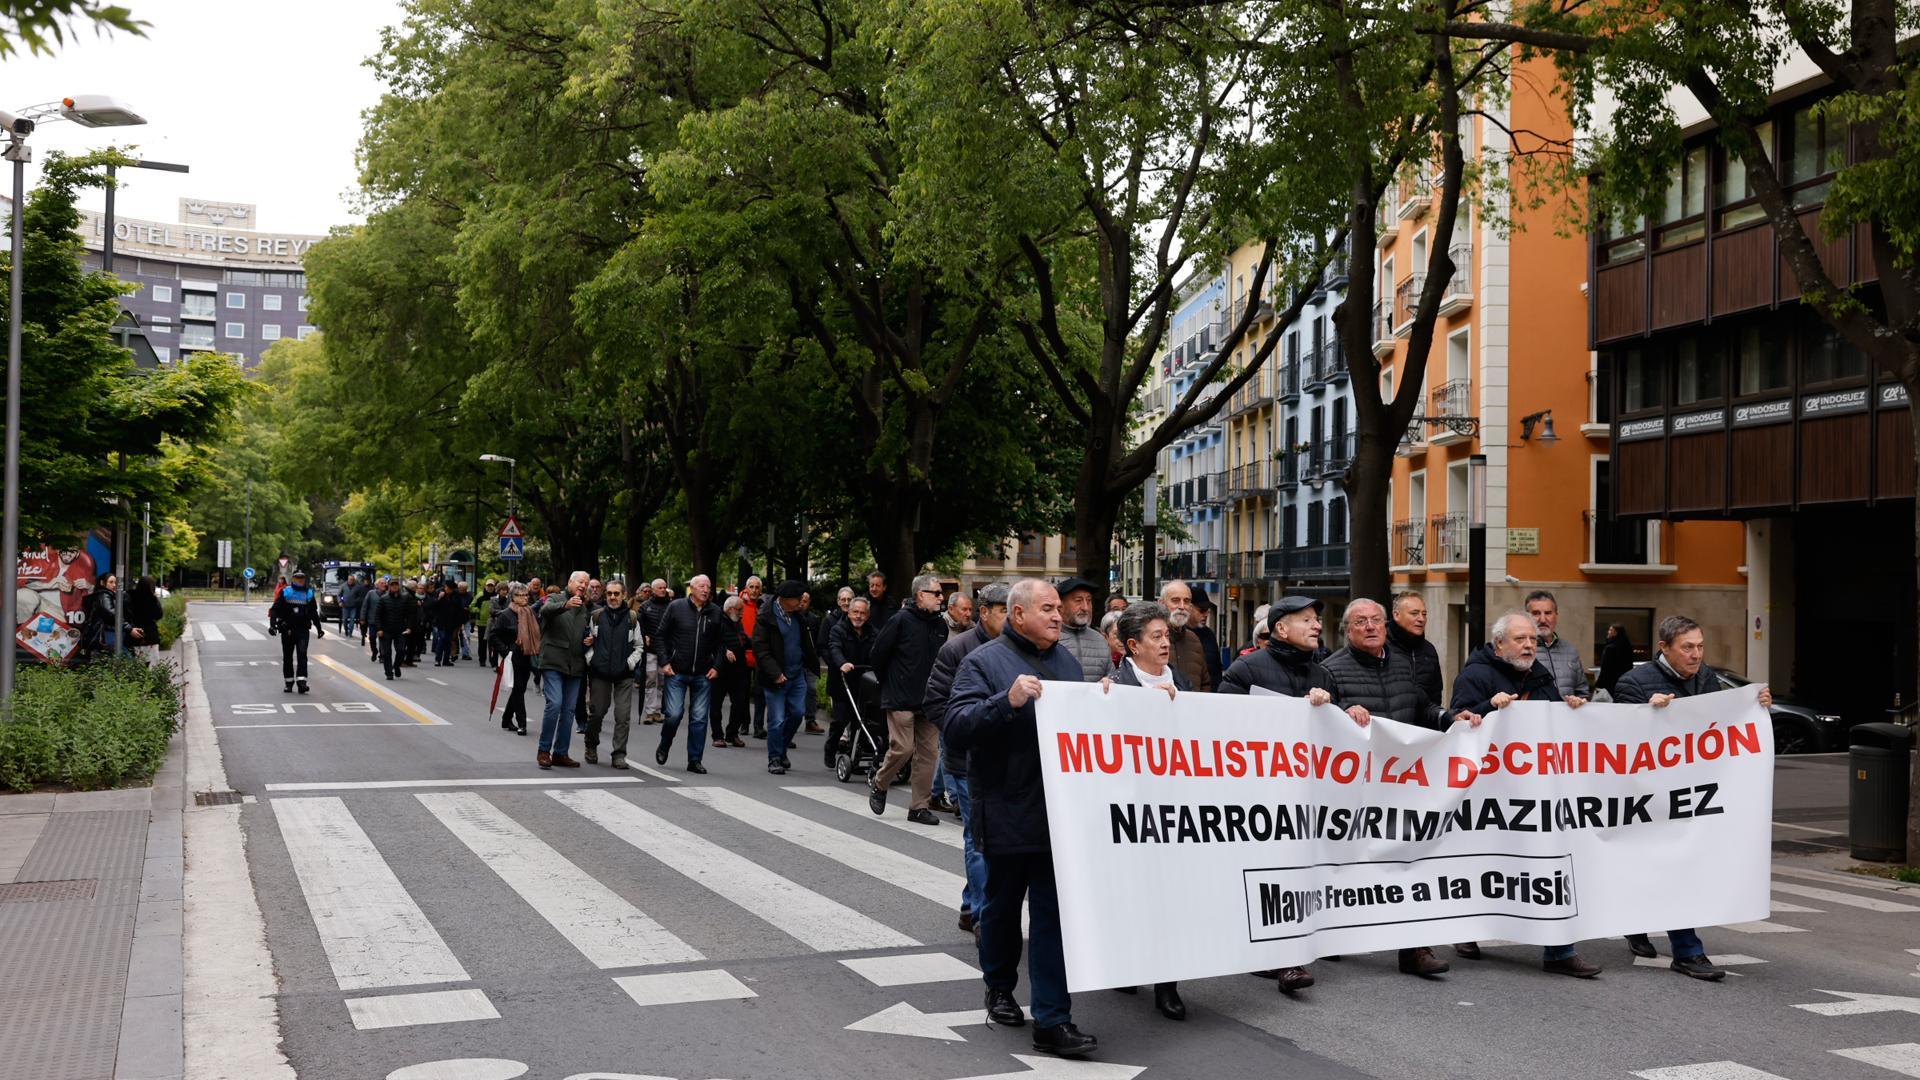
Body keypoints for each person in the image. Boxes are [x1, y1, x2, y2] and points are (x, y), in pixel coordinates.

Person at [944, 579, 1097, 1059]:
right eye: (1047, 608)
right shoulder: (983, 663)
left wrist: (1106, 703)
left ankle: (1053, 1020)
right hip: (1007, 809)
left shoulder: (1068, 663)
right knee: (1002, 909)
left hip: (1058, 813)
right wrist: (1004, 702)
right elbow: (955, 728)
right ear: (1017, 615)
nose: (1058, 615)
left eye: (1058, 608)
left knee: (1053, 918)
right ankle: (999, 985)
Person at [1320, 598, 1482, 978]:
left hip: (1402, 784)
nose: (1371, 627)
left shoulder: (1399, 664)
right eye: (1361, 621)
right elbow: (1321, 717)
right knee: (1351, 861)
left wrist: (1448, 718)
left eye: (1376, 620)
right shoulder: (1330, 670)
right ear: (1348, 629)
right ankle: (1333, 931)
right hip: (1356, 789)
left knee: (1410, 860)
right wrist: (1343, 711)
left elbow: (1420, 706)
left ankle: (1414, 949)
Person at [1610, 614, 1771, 981]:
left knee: (1676, 866)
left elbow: (1725, 720)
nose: (1696, 655)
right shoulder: (1633, 682)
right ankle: (1687, 951)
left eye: (1700, 646)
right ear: (1664, 648)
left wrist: (1755, 704)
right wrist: (1646, 713)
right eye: (1688, 648)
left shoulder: (1705, 678)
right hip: (1647, 797)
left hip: (1692, 795)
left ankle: (1644, 926)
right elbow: (1616, 737)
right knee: (1666, 866)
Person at [1449, 611, 1597, 977]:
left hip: (1536, 790)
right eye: (1520, 639)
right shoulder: (1475, 675)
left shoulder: (1541, 677)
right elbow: (1460, 721)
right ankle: (1468, 928)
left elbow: (1549, 725)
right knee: (1488, 861)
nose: (1530, 645)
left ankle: (1561, 949)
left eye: (1532, 639)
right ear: (1500, 645)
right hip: (1490, 791)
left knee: (1548, 861)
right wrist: (1488, 708)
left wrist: (1570, 709)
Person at [1218, 595, 1341, 993]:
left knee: (1294, 870)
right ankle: (1274, 955)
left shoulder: (1322, 676)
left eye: (1317, 620)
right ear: (1280, 629)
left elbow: (1334, 738)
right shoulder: (1247, 669)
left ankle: (1287, 957)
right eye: (1306, 620)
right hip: (1257, 794)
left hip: (1304, 795)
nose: (1316, 626)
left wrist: (1332, 710)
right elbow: (1220, 724)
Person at [1095, 600, 1189, 1020]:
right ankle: (1127, 961)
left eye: (1167, 635)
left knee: (1171, 896)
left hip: (1176, 809)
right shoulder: (1113, 688)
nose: (1165, 642)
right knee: (1133, 892)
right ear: (1132, 646)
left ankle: (1167, 984)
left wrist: (1178, 710)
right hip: (1131, 809)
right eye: (1156, 636)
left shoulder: (1182, 683)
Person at [924, 584, 1008, 937]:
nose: (1011, 617)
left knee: (992, 839)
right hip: (966, 760)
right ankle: (980, 915)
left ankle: (968, 903)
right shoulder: (956, 649)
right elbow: (935, 703)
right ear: (984, 611)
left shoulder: (1019, 649)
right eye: (1004, 610)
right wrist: (966, 731)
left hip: (1007, 761)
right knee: (978, 839)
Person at [867, 573, 948, 822]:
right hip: (900, 696)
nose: (941, 598)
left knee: (928, 754)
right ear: (921, 595)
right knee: (903, 748)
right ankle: (880, 784)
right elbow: (877, 655)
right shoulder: (900, 620)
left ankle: (919, 807)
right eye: (937, 593)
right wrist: (891, 682)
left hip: (929, 699)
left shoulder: (939, 625)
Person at [656, 574, 725, 772]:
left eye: (708, 586)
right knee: (674, 714)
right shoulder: (676, 607)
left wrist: (717, 666)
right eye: (702, 586)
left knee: (699, 717)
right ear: (692, 588)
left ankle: (694, 759)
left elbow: (722, 643)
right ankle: (665, 743)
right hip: (676, 671)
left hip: (703, 673)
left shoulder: (716, 612)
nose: (705, 590)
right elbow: (660, 636)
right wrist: (664, 661)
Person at [753, 580, 819, 775]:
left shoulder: (799, 617)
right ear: (785, 599)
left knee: (798, 713)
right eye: (798, 599)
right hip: (775, 677)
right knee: (777, 720)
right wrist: (775, 673)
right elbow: (760, 649)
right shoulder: (766, 617)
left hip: (797, 674)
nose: (801, 602)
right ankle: (774, 757)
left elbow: (805, 644)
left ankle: (780, 749)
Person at [535, 571, 592, 770]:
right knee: (555, 704)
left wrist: (589, 640)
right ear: (570, 582)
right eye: (580, 581)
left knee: (568, 711)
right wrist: (565, 605)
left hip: (575, 665)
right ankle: (544, 751)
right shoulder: (556, 597)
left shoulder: (584, 609)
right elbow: (545, 611)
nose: (583, 585)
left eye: (586, 582)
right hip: (553, 661)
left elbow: (583, 633)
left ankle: (560, 753)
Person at [584, 579, 639, 768]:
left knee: (622, 716)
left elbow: (639, 646)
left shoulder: (633, 618)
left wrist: (629, 664)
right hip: (600, 672)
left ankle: (619, 755)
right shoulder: (596, 616)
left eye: (616, 593)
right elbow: (587, 641)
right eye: (609, 593)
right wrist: (592, 660)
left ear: (624, 595)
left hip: (624, 674)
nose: (613, 597)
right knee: (597, 712)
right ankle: (591, 745)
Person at [824, 595, 877, 769]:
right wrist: (842, 663)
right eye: (855, 612)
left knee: (859, 722)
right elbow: (834, 648)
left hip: (863, 684)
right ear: (849, 613)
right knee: (840, 720)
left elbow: (878, 652)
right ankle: (831, 749)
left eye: (862, 613)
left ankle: (852, 754)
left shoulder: (873, 633)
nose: (858, 616)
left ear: (867, 615)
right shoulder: (838, 630)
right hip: (842, 683)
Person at [488, 584, 537, 735]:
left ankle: (506, 718)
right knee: (518, 689)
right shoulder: (505, 615)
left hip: (527, 655)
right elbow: (493, 635)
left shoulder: (529, 612)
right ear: (514, 597)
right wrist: (505, 650)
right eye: (522, 595)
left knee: (519, 689)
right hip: (512, 657)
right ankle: (522, 723)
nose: (525, 598)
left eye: (526, 595)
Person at [269, 569, 325, 693]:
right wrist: (273, 625)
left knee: (302, 655)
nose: (300, 580)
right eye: (297, 577)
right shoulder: (286, 592)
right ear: (293, 579)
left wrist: (319, 628)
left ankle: (302, 682)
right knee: (288, 657)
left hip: (303, 629)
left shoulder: (309, 594)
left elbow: (313, 613)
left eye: (302, 578)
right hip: (287, 629)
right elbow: (275, 610)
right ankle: (288, 683)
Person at [1525, 590, 1588, 700]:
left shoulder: (1570, 651)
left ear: (1556, 616)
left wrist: (1579, 701)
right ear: (1526, 617)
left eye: (1548, 613)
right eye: (1536, 613)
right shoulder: (1520, 651)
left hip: (1567, 716)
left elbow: (1583, 692)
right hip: (1535, 716)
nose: (1543, 619)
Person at [1388, 591, 1444, 707]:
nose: (1421, 619)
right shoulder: (1381, 648)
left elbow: (1436, 695)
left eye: (1424, 614)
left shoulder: (1429, 650)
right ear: (1396, 615)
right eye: (1414, 613)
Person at [1158, 580, 1213, 692]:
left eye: (1187, 601)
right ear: (1161, 604)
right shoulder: (1149, 639)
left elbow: (1205, 683)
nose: (1182, 606)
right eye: (1175, 600)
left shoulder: (1194, 640)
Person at [1054, 577, 1110, 682]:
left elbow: (1112, 677)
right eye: (1078, 601)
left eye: (1088, 601)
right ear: (1060, 605)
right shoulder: (1047, 639)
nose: (1085, 607)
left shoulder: (1100, 640)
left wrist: (1109, 681)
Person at [715, 594, 752, 747]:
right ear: (730, 609)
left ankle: (732, 733)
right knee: (716, 703)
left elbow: (743, 639)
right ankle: (717, 735)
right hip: (721, 669)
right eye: (739, 610)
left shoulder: (738, 622)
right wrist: (724, 650)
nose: (742, 612)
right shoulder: (717, 621)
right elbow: (712, 642)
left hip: (739, 668)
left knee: (740, 702)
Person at [638, 579, 672, 725]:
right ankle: (650, 712)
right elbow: (639, 624)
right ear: (653, 590)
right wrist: (644, 635)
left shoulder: (672, 606)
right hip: (650, 650)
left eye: (665, 587)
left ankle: (658, 711)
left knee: (662, 681)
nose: (663, 590)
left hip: (665, 649)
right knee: (651, 679)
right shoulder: (645, 606)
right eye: (660, 588)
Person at [375, 576, 415, 680]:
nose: (394, 587)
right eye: (392, 585)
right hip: (386, 630)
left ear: (399, 586)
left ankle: (396, 666)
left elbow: (410, 614)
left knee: (401, 650)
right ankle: (388, 672)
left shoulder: (405, 598)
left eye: (396, 585)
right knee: (387, 652)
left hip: (400, 629)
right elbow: (378, 615)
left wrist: (409, 627)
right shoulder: (384, 599)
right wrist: (379, 629)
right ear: (389, 586)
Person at [1189, 589, 1225, 689]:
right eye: (1202, 610)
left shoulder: (1209, 635)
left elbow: (1216, 669)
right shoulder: (1178, 634)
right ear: (1189, 608)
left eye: (1207, 611)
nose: (1205, 615)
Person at [124, 576, 163, 659]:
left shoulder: (129, 595)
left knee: (133, 661)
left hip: (133, 633)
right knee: (146, 663)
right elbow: (159, 614)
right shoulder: (152, 599)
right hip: (149, 635)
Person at [1597, 622, 1635, 695]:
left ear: (1616, 633)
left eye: (1611, 630)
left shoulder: (1610, 648)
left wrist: (1599, 684)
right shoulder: (1627, 647)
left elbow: (1605, 668)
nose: (1608, 632)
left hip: (1609, 684)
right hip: (1624, 683)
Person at [360, 578, 384, 656]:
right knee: (372, 638)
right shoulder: (371, 593)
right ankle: (374, 651)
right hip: (372, 620)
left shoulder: (388, 594)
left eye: (385, 583)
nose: (384, 584)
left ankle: (382, 655)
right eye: (382, 583)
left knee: (383, 640)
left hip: (384, 621)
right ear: (377, 585)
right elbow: (365, 606)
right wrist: (362, 618)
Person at [339, 574, 364, 639]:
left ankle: (350, 633)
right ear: (348, 579)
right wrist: (340, 601)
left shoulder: (357, 587)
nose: (351, 581)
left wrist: (356, 601)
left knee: (352, 620)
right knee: (344, 620)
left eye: (352, 580)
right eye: (350, 579)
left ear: (354, 580)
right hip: (345, 606)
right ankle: (346, 630)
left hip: (353, 606)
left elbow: (360, 596)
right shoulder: (343, 586)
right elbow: (339, 595)